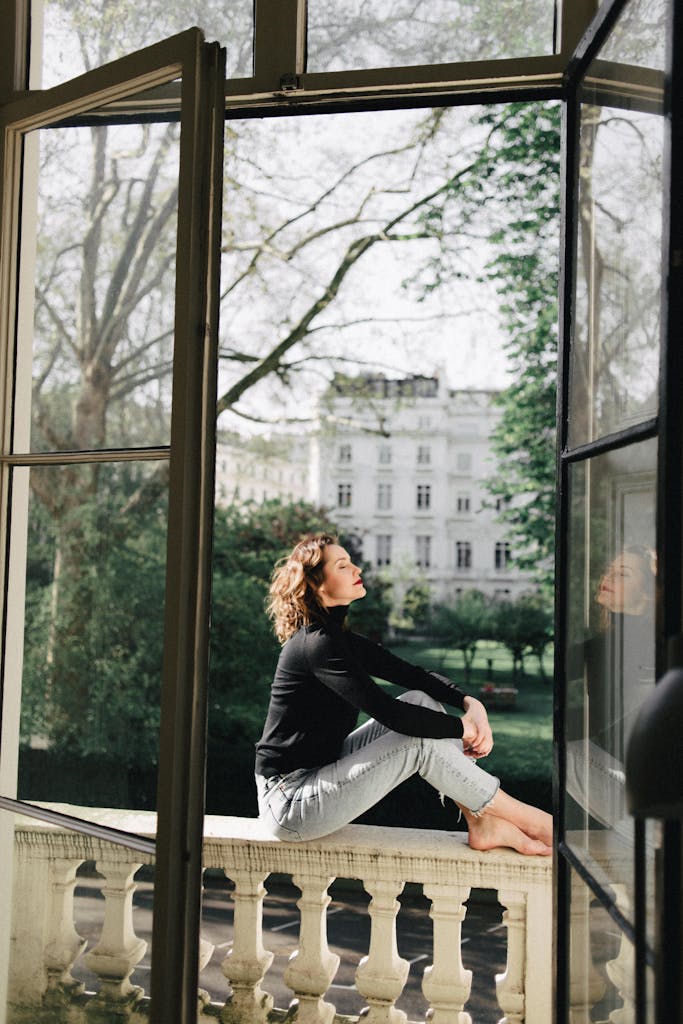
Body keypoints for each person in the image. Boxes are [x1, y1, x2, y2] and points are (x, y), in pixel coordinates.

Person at [255, 533, 552, 855]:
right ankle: (533, 821)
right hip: (291, 801)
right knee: (418, 740)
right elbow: (390, 714)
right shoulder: (317, 645)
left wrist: (471, 703)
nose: (357, 569)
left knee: (420, 700)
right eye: (342, 566)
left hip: (322, 771)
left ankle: (479, 819)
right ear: (316, 585)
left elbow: (413, 676)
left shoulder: (338, 639)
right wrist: (463, 728)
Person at [565, 544, 656, 833]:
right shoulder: (612, 641)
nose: (608, 576)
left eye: (623, 574)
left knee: (562, 749)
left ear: (647, 593)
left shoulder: (636, 644)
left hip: (641, 795)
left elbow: (607, 719)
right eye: (609, 570)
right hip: (630, 781)